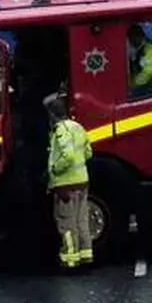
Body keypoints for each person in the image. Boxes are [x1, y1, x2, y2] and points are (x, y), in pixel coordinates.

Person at [45, 93, 93, 269]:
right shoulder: (78, 127)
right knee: (82, 220)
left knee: (66, 222)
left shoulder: (61, 130)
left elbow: (68, 156)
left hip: (65, 185)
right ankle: (86, 254)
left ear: (52, 114)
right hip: (82, 181)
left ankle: (70, 259)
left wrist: (56, 169)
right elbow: (88, 153)